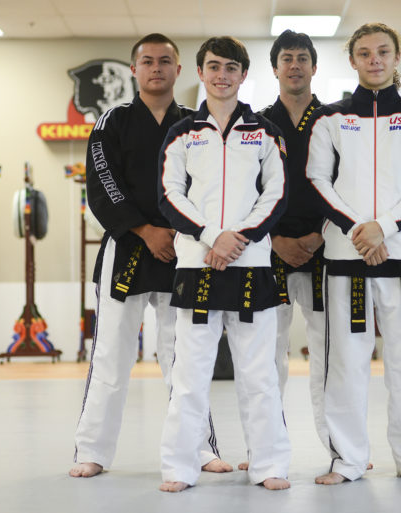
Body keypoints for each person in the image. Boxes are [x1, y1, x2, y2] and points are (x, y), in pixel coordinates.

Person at [70, 33, 229, 479]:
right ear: (134, 70)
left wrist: (179, 232)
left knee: (185, 357)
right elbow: (103, 182)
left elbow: (208, 189)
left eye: (165, 61)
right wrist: (143, 229)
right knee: (111, 356)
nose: (156, 68)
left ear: (180, 71)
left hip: (183, 250)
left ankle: (199, 448)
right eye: (147, 61)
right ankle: (92, 451)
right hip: (127, 248)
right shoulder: (111, 122)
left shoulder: (199, 124)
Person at [306, 22, 401, 485]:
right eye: (364, 53)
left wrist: (382, 227)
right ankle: (346, 461)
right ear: (352, 61)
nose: (374, 60)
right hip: (346, 257)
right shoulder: (329, 120)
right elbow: (317, 181)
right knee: (345, 361)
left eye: (383, 52)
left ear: (397, 57)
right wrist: (356, 229)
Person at [157, 36, 291, 492]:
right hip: (198, 265)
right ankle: (179, 467)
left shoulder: (265, 131)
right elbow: (169, 196)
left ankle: (269, 465)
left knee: (259, 375)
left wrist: (240, 238)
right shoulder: (181, 133)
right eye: (213, 66)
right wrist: (214, 237)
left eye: (231, 67)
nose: (221, 75)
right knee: (190, 376)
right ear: (200, 72)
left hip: (251, 265)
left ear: (243, 75)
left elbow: (277, 194)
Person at [259, 29, 327, 440]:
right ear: (275, 68)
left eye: (303, 58)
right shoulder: (259, 124)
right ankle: (266, 447)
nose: (295, 65)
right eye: (287, 58)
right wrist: (274, 241)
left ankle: (341, 449)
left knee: (328, 354)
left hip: (326, 248)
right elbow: (247, 193)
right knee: (267, 355)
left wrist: (323, 234)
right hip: (272, 251)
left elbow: (348, 185)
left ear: (314, 67)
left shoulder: (335, 120)